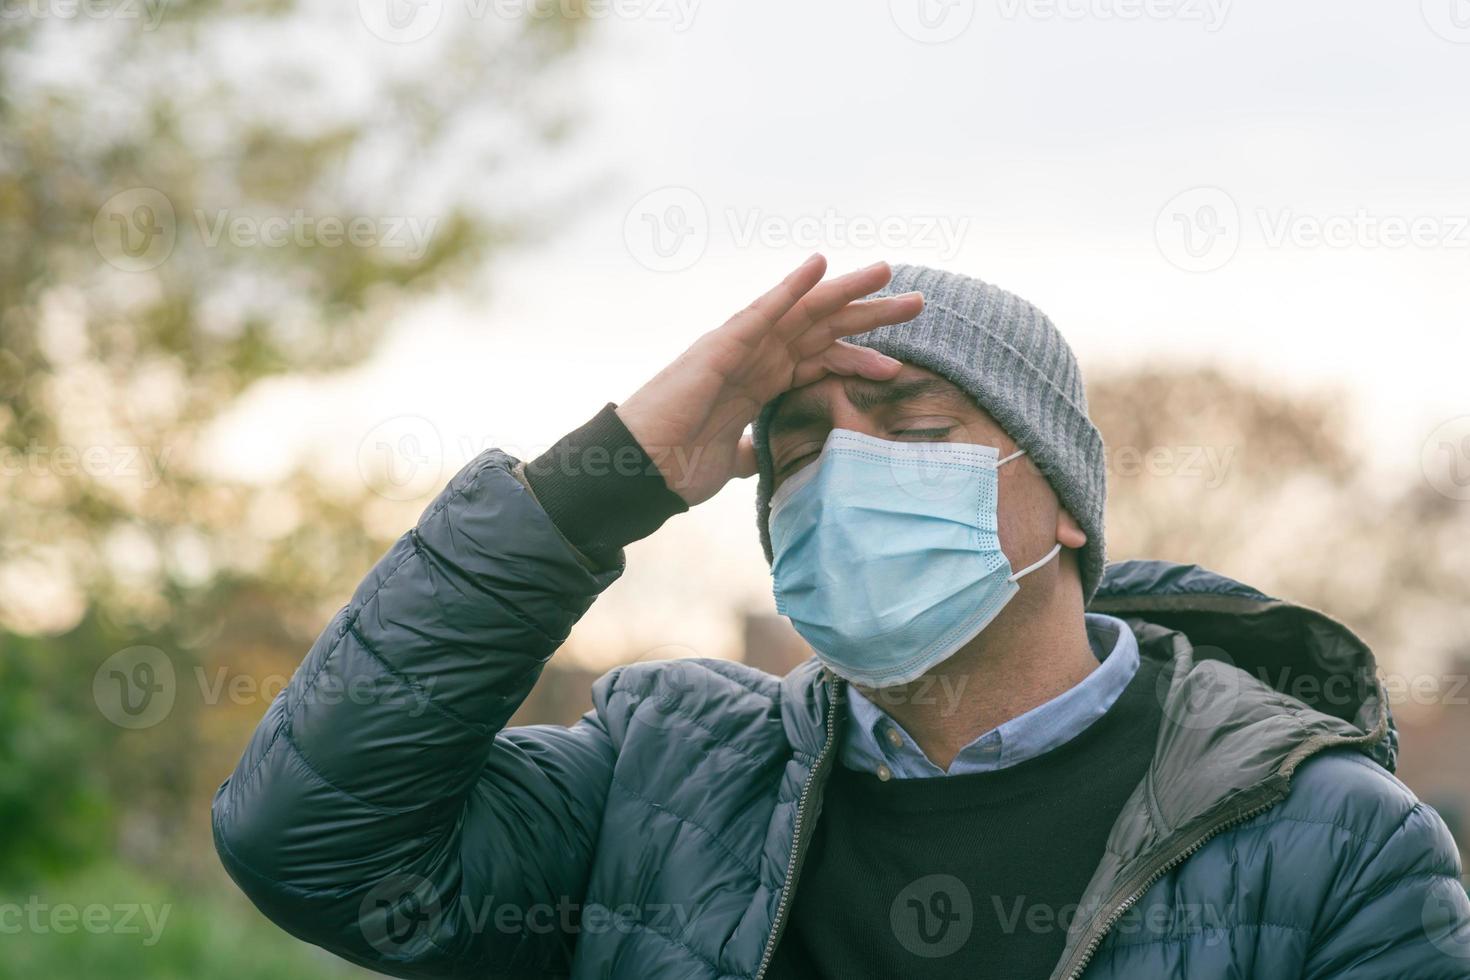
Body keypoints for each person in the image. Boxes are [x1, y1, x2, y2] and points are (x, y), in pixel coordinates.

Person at [212, 256, 1470, 978]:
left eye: (919, 430)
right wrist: (596, 487)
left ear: (1069, 505)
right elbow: (312, 845)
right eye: (799, 445)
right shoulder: (658, 779)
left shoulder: (1336, 849)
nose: (845, 471)